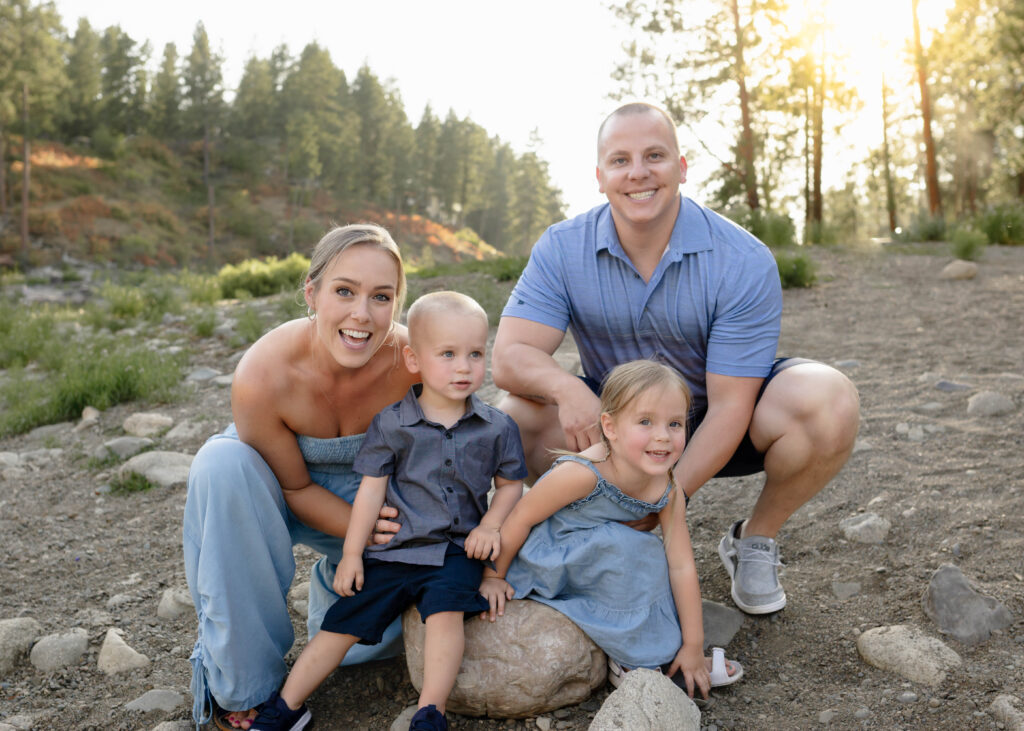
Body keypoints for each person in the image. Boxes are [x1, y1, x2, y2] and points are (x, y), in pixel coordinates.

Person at [491, 102, 860, 617]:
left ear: (682, 167)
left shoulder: (742, 258)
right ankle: (590, 534)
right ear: (600, 177)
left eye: (655, 156)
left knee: (829, 400)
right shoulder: (561, 248)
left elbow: (733, 405)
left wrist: (663, 502)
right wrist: (568, 389)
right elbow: (508, 357)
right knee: (511, 416)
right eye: (620, 160)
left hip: (721, 417)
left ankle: (754, 541)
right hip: (616, 425)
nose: (638, 172)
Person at [245, 290, 527, 731]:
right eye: (448, 354)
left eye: (475, 354)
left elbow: (511, 485)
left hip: (454, 551)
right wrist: (354, 554)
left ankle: (431, 711)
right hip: (393, 550)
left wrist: (491, 526)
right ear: (413, 359)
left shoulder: (496, 427)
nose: (463, 367)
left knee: (445, 614)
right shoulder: (392, 423)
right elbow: (370, 494)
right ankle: (287, 706)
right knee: (342, 621)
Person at [183, 223, 420, 730]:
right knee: (221, 467)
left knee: (374, 643)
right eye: (344, 291)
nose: (361, 315)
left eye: (381, 296)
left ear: (398, 302)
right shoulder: (263, 373)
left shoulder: (413, 363)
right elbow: (296, 488)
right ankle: (244, 685)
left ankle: (334, 592)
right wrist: (361, 526)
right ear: (311, 292)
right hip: (275, 487)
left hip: (374, 490)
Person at [480, 360, 743, 703]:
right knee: (635, 549)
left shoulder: (668, 488)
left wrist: (694, 644)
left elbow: (682, 564)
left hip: (603, 559)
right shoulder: (584, 472)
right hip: (548, 555)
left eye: (675, 423)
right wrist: (493, 576)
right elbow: (520, 519)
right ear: (611, 426)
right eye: (646, 422)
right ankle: (632, 661)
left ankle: (681, 655)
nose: (663, 435)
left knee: (653, 560)